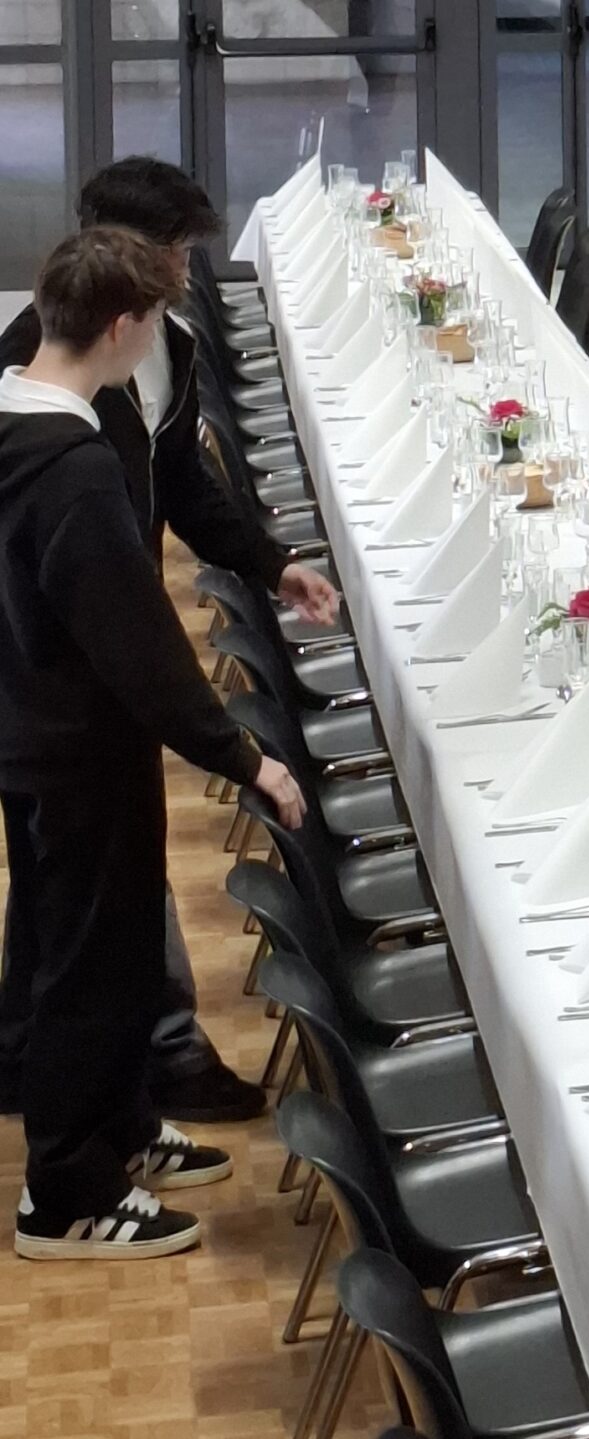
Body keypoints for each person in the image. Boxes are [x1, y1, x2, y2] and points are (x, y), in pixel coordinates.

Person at [0, 157, 338, 1126]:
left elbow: (182, 482)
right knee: (91, 908)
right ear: (120, 267)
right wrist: (236, 752)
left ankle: (51, 1066)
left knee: (74, 897)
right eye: (175, 253)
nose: (188, 272)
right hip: (62, 679)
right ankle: (132, 1082)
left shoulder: (165, 347)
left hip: (103, 664)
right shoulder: (40, 376)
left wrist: (270, 561)